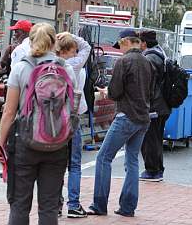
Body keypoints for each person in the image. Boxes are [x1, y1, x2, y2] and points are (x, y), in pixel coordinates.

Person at [0, 23, 76, 225]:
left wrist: (1, 143)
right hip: (57, 143)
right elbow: (72, 108)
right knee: (49, 206)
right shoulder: (66, 69)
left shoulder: (21, 68)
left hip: (25, 143)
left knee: (20, 204)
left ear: (31, 41)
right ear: (54, 43)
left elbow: (9, 111)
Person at [87, 29, 153, 217]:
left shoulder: (123, 62)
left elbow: (115, 92)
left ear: (125, 42)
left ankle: (99, 204)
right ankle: (128, 207)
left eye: (120, 45)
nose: (120, 49)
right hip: (143, 117)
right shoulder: (147, 62)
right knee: (132, 161)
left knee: (103, 158)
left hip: (126, 116)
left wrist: (107, 91)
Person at [55, 32, 91, 219]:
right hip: (73, 117)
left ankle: (56, 204)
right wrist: (71, 35)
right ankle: (74, 204)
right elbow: (87, 47)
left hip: (53, 121)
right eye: (73, 50)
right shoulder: (74, 65)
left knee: (57, 164)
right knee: (74, 164)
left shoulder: (48, 65)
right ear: (68, 50)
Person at [139, 30, 170, 182]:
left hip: (154, 106)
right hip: (162, 104)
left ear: (144, 43)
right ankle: (157, 169)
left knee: (150, 139)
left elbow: (147, 83)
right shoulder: (160, 54)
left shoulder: (150, 58)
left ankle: (152, 170)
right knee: (156, 138)